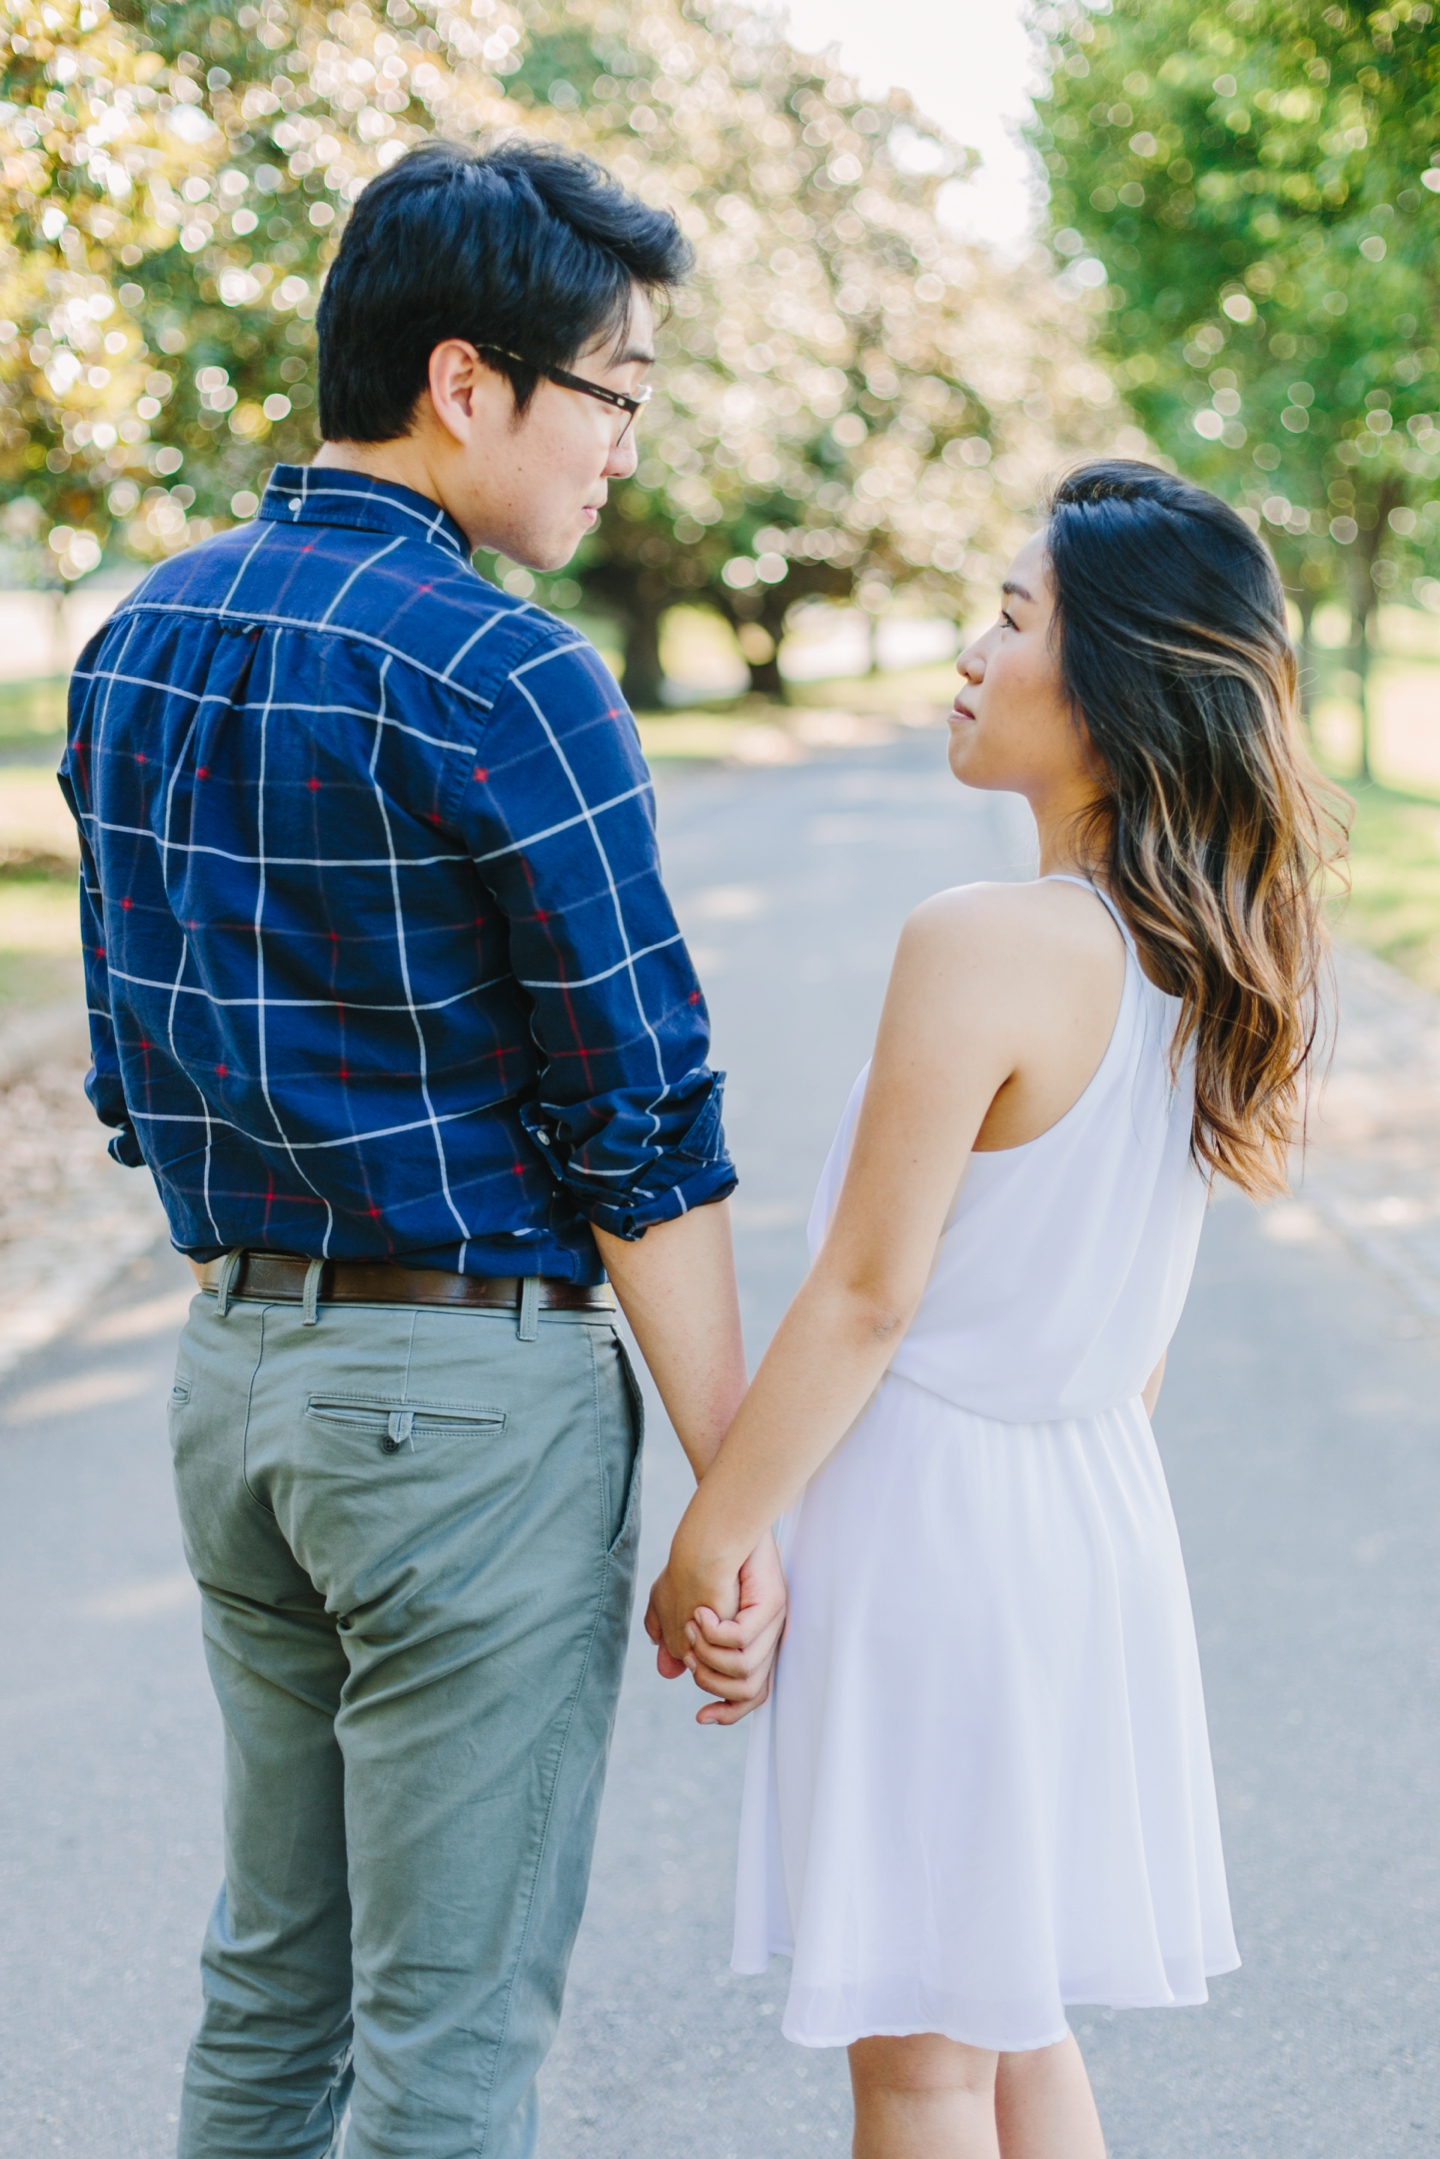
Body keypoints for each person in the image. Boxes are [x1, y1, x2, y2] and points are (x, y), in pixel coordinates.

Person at [61, 138, 782, 2159]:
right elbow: (640, 1118)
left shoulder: (133, 642)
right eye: (617, 390)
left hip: (239, 1388)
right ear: (471, 382)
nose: (626, 448)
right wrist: (743, 1497)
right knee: (448, 2053)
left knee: (273, 1996)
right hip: (463, 1407)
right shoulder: (506, 671)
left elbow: (132, 1079)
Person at [648, 461, 1344, 2158]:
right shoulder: (1212, 965)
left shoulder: (988, 940)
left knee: (923, 2066)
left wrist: (710, 1541)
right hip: (1092, 1515)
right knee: (1011, 2032)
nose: (969, 650)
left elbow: (869, 1297)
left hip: (941, 1534)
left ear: (1113, 682)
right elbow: (1138, 1334)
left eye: (1013, 620)